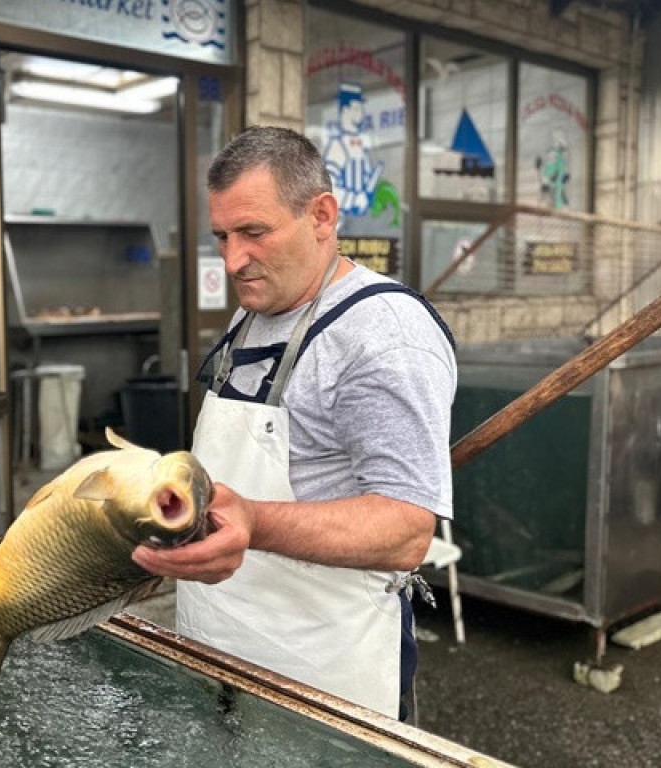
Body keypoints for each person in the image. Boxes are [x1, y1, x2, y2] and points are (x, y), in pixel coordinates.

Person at [131, 125, 456, 720]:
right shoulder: (254, 312)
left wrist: (253, 521)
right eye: (223, 236)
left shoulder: (383, 336)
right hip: (219, 653)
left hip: (323, 683)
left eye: (254, 232)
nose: (233, 260)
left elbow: (407, 528)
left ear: (323, 216)